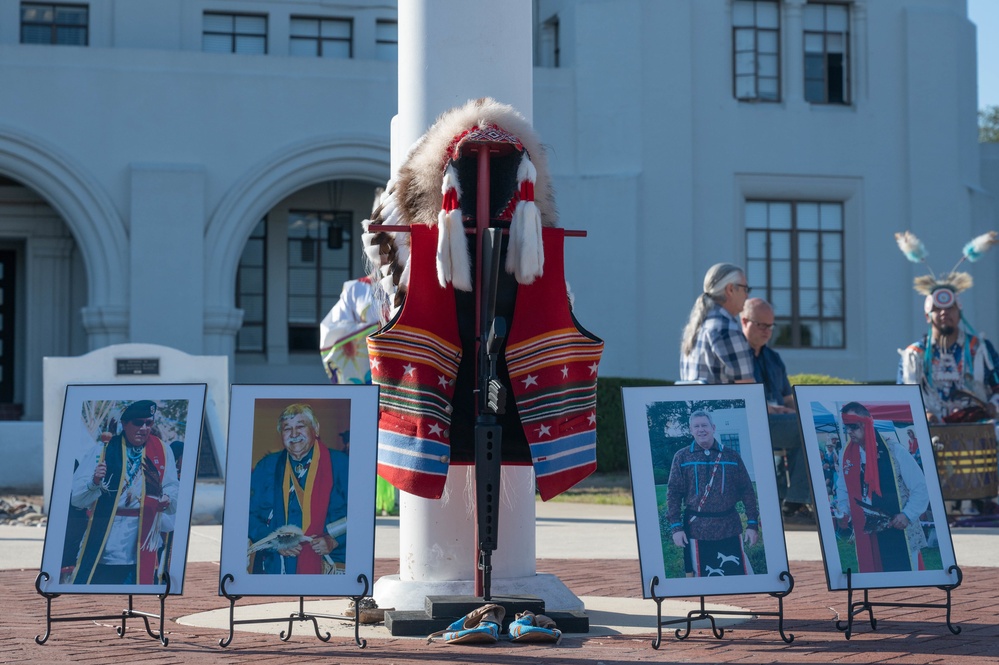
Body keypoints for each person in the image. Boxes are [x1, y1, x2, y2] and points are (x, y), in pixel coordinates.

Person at [69, 400, 179, 585]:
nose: (144, 428)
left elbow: (171, 486)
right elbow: (77, 499)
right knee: (98, 596)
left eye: (148, 423)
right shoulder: (101, 450)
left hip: (143, 541)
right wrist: (95, 481)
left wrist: (167, 498)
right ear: (124, 424)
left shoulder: (162, 450)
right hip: (106, 541)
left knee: (142, 595)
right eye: (138, 423)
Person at [319, 275, 396, 515]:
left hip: (397, 373)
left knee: (395, 434)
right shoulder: (355, 290)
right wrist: (374, 332)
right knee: (364, 437)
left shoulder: (406, 283)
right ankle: (366, 498)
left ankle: (395, 499)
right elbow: (331, 331)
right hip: (365, 376)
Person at [247, 403, 349, 574]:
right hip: (277, 565)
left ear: (315, 429)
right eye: (287, 429)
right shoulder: (267, 467)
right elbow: (247, 515)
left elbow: (361, 514)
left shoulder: (341, 464)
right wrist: (273, 541)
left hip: (329, 561)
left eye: (300, 427)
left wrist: (334, 540)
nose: (294, 434)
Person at [833, 402, 929, 573]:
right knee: (874, 574)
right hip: (866, 529)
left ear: (866, 423)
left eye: (853, 427)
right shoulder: (846, 453)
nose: (849, 432)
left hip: (897, 525)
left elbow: (921, 487)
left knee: (906, 577)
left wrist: (907, 515)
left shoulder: (895, 451)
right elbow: (843, 487)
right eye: (846, 427)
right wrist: (844, 512)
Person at [666, 410, 760, 577]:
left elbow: (746, 490)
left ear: (713, 427)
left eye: (704, 425)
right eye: (696, 426)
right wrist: (676, 527)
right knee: (703, 579)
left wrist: (752, 524)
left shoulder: (731, 455)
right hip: (697, 529)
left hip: (729, 526)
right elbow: (673, 493)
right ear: (691, 430)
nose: (701, 429)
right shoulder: (682, 457)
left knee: (738, 576)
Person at [740, 298, 811, 519]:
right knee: (804, 429)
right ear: (744, 321)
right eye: (760, 324)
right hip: (752, 421)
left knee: (807, 422)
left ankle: (785, 498)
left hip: (776, 420)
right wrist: (771, 410)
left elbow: (787, 399)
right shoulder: (736, 355)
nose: (767, 331)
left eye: (770, 325)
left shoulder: (773, 357)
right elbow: (742, 399)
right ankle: (796, 500)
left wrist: (791, 410)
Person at [898, 284, 999, 424]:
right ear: (927, 316)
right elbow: (904, 398)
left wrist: (993, 406)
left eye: (950, 308)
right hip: (932, 431)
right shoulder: (914, 355)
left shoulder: (980, 349)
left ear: (959, 314)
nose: (944, 312)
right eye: (937, 309)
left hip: (977, 427)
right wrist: (925, 414)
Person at [679, 263, 755, 384]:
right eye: (745, 289)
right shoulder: (727, 329)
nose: (747, 295)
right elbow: (747, 388)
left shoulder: (695, 327)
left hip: (695, 402)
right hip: (723, 402)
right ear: (730, 289)